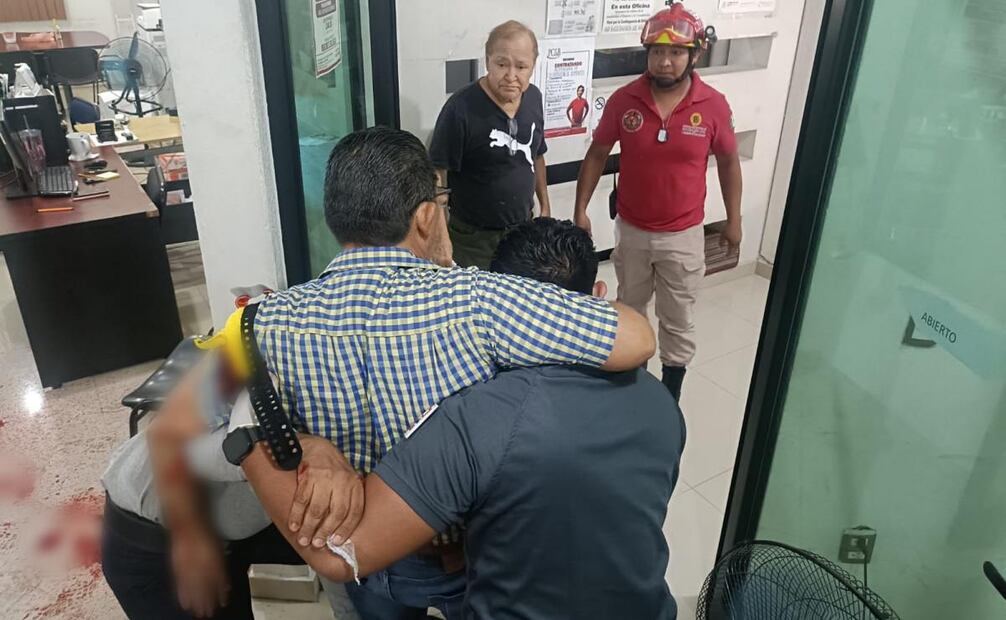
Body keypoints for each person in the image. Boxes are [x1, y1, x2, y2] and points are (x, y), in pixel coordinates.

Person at [147, 128, 656, 619]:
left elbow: (173, 425)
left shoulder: (261, 322)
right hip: (464, 560)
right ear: (426, 217)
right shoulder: (478, 300)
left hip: (357, 563)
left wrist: (302, 442)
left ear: (334, 220)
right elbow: (636, 339)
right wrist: (447, 265)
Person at [242, 217, 687, 619]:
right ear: (597, 296)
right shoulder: (659, 402)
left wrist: (252, 436)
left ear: (506, 301)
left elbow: (344, 554)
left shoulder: (480, 419)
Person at [573, 2, 743, 401]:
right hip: (631, 230)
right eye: (657, 52)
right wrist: (580, 209)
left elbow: (729, 162)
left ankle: (670, 395)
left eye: (676, 52)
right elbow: (597, 154)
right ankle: (633, 390)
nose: (665, 61)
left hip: (683, 235)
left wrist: (733, 220)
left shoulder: (713, 105)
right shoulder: (624, 100)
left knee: (678, 319)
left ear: (695, 55)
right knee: (630, 309)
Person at [430, 21, 550, 269]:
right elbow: (436, 171)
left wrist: (545, 207)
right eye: (502, 64)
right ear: (487, 62)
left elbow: (537, 155)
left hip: (523, 232)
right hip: (473, 239)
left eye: (521, 66)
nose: (511, 76)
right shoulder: (460, 108)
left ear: (533, 65)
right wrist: (439, 236)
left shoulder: (534, 98)